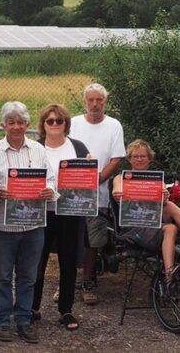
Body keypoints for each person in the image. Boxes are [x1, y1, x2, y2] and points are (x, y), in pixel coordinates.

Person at [0, 102, 55, 344]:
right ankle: (2, 320)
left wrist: (50, 191)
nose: (16, 126)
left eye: (21, 122)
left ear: (27, 124)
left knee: (28, 276)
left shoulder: (37, 149)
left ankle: (24, 319)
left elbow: (51, 179)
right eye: (11, 122)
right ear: (4, 124)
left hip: (33, 226)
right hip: (4, 226)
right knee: (3, 276)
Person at [112, 140, 180, 283]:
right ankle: (170, 275)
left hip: (153, 223)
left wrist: (164, 196)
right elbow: (116, 189)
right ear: (129, 159)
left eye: (143, 156)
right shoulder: (121, 178)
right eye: (135, 156)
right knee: (170, 227)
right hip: (133, 226)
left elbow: (162, 201)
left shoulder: (157, 180)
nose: (139, 159)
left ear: (149, 159)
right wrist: (118, 193)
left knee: (168, 208)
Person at [32, 103, 90, 331]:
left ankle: (66, 310)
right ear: (43, 125)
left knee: (68, 261)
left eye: (59, 121)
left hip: (69, 212)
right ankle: (32, 307)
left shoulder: (78, 147)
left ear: (66, 124)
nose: (55, 124)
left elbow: (89, 180)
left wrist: (89, 166)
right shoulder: (35, 147)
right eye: (50, 121)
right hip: (40, 213)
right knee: (36, 261)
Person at [69, 83, 125, 306]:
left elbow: (116, 159)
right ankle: (69, 281)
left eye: (99, 100)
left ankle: (87, 282)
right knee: (71, 238)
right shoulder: (73, 123)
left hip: (99, 193)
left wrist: (98, 179)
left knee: (93, 239)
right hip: (72, 192)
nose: (94, 104)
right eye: (91, 100)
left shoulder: (114, 125)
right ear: (85, 101)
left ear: (105, 102)